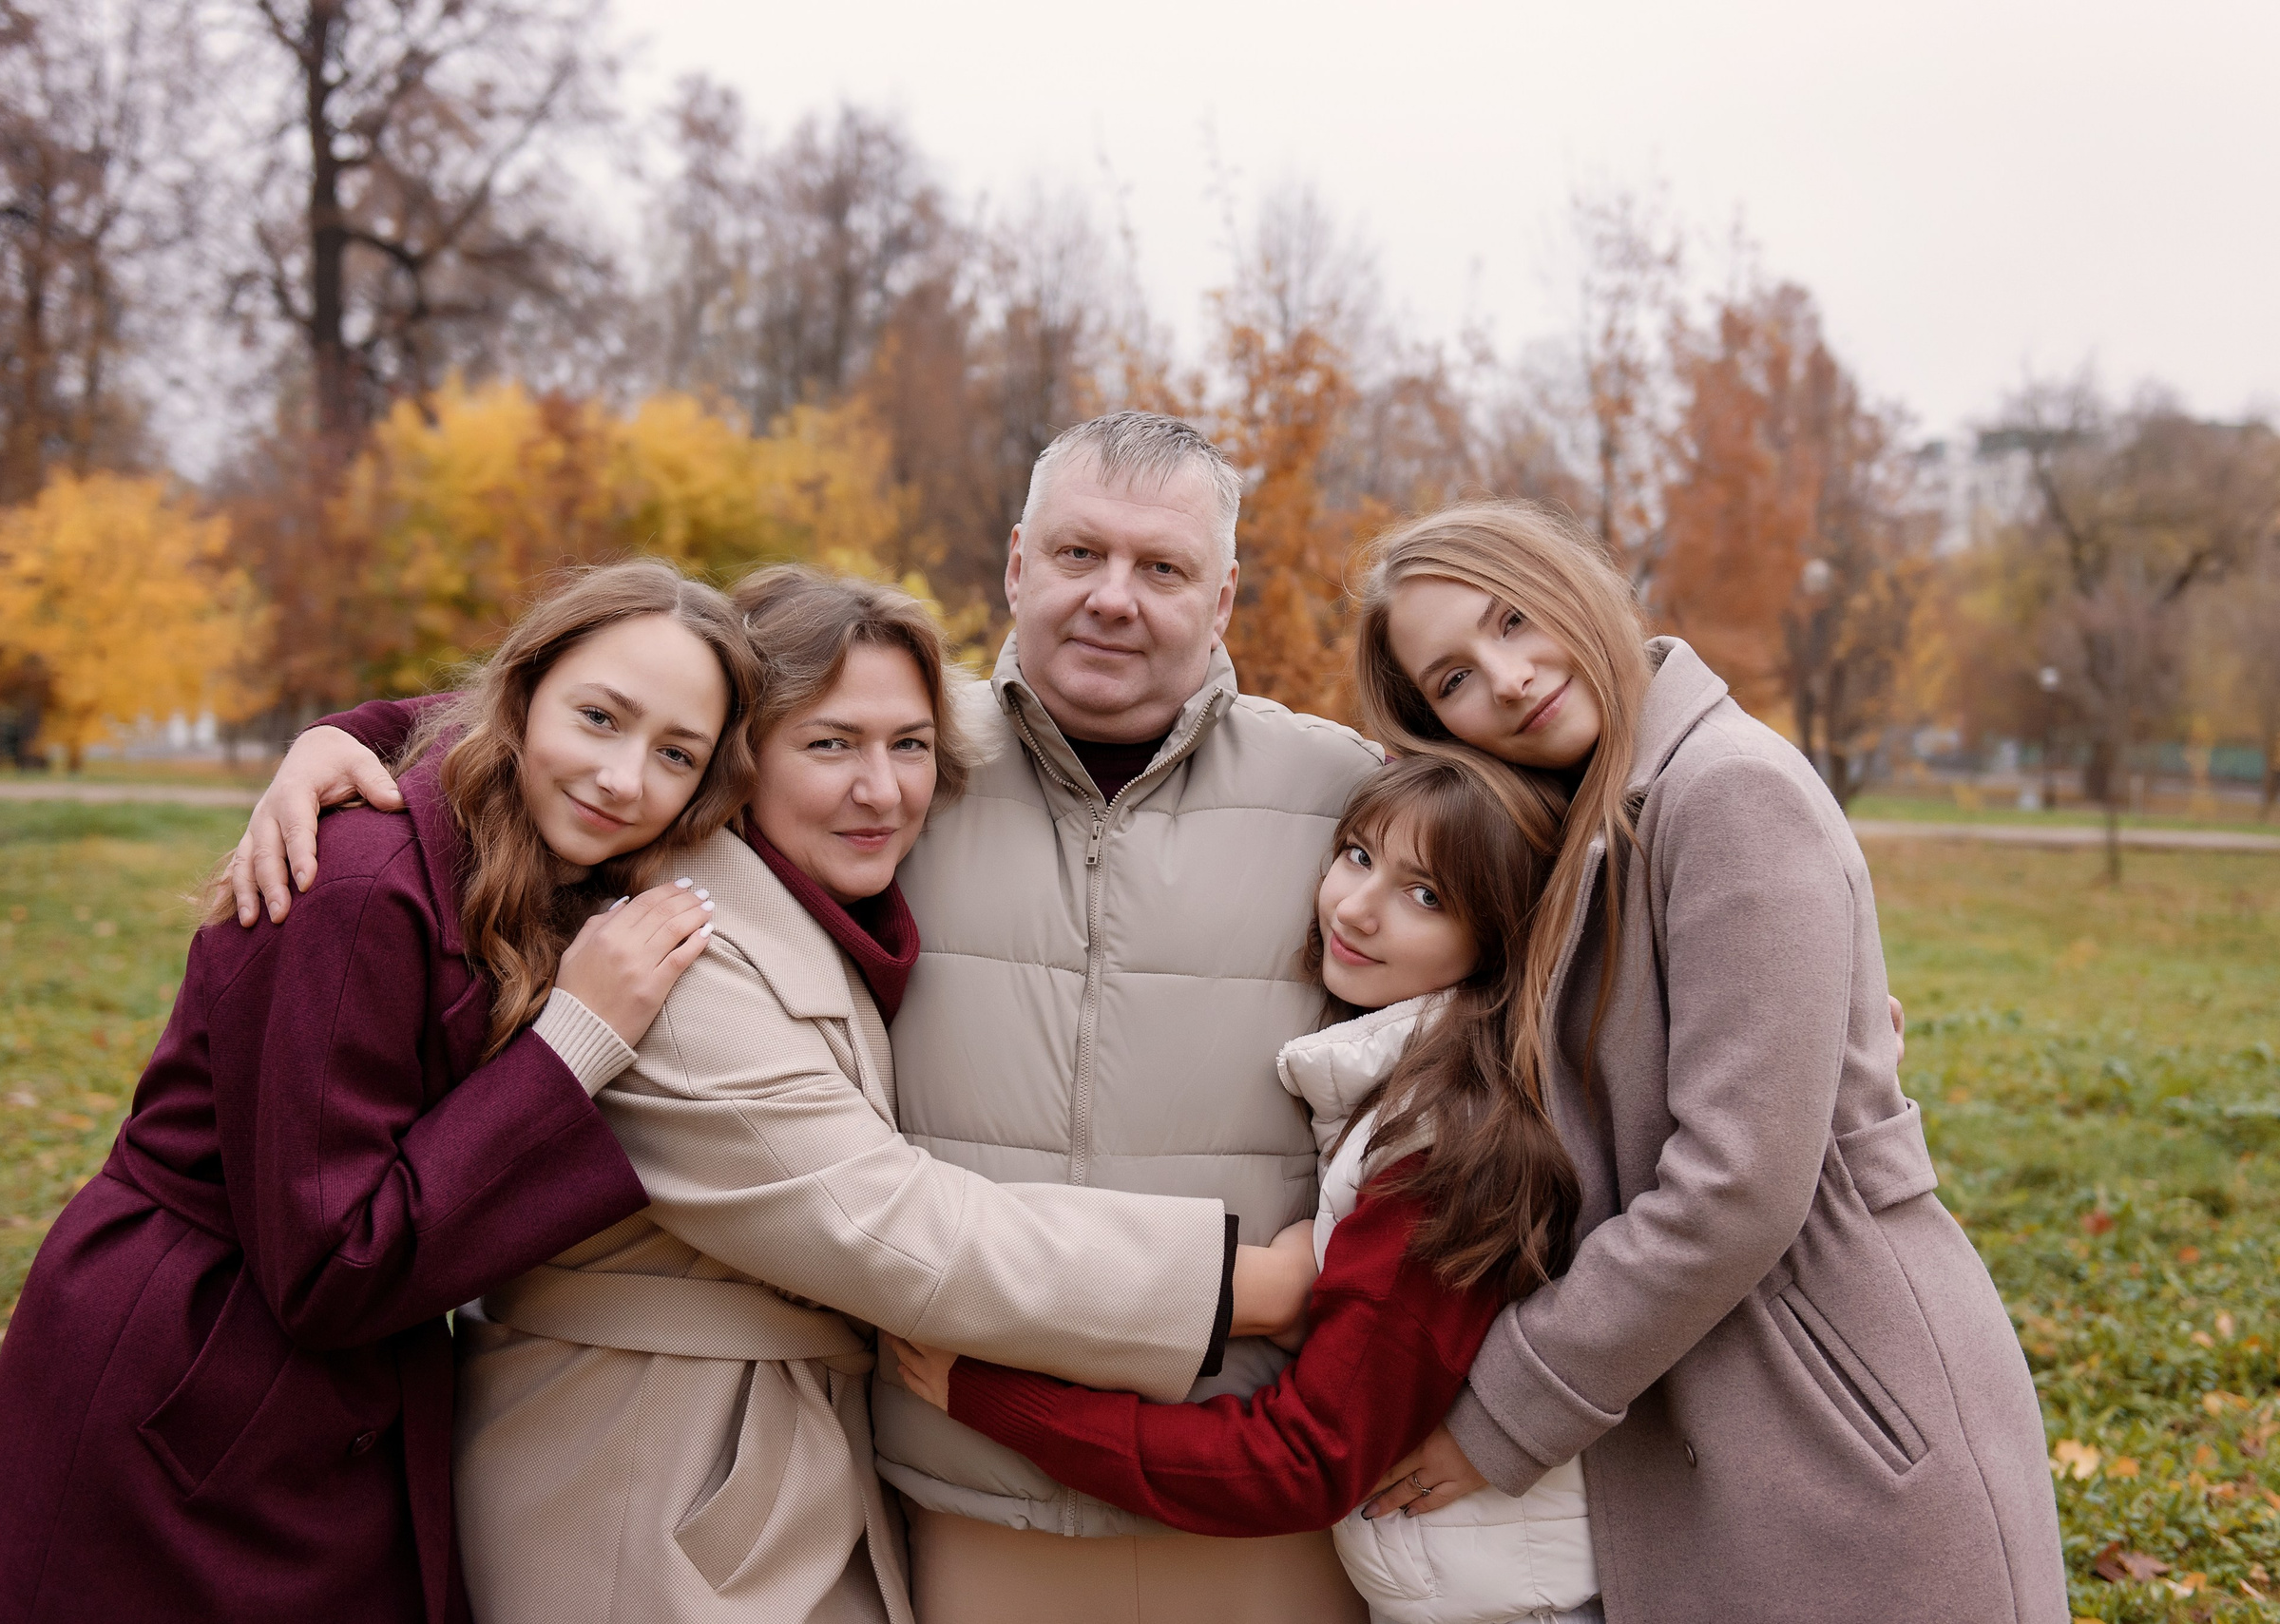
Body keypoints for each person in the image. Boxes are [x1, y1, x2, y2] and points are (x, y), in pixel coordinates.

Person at [228, 413, 1386, 1623]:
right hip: (809, 1482)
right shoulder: (705, 916)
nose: (1111, 596)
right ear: (1015, 563)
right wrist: (350, 740)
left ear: (1224, 594)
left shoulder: (1335, 799)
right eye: (1077, 552)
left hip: (1233, 1474)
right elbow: (615, 705)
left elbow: (1489, 954)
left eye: (1162, 567)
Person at [0, 560, 763, 1623]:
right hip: (190, 1359)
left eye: (676, 754)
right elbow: (334, 1265)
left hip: (321, 1375)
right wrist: (576, 1039)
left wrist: (337, 731)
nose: (622, 777)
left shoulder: (512, 842)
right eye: (599, 717)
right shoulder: (366, 883)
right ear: (522, 695)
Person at [1345, 501, 2065, 1624]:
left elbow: (1738, 1185)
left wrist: (1503, 1409)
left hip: (1838, 1420)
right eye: (1454, 679)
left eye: (1513, 618)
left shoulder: (1725, 790)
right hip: (1726, 1413)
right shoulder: (1588, 824)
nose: (1510, 678)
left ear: (1576, 581)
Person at [890, 754, 1604, 1624]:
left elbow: (1304, 1460)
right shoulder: (1402, 1097)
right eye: (1357, 854)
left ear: (1498, 937)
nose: (1356, 907)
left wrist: (1002, 1401)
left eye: (1427, 896)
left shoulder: (1448, 1146)